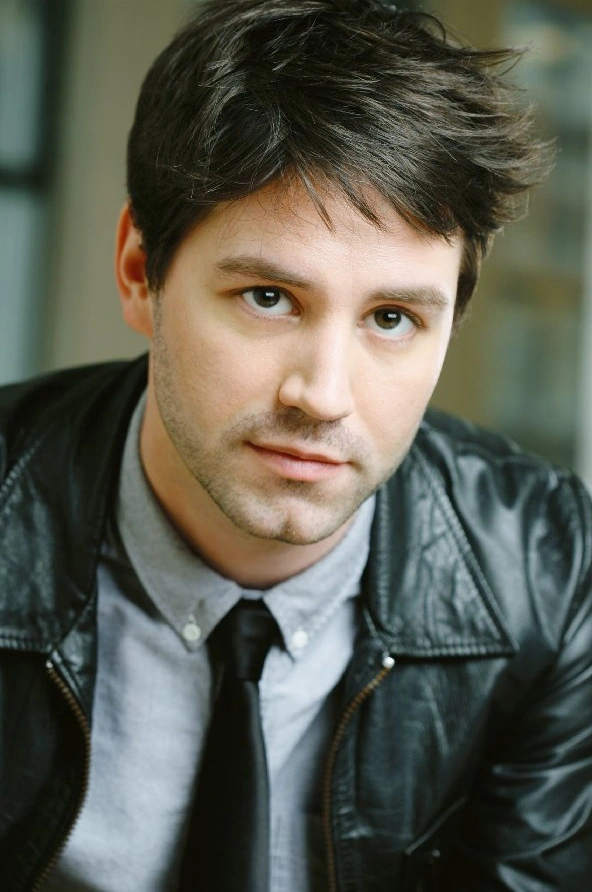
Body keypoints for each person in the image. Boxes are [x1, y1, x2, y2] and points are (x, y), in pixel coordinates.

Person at [0, 0, 590, 889]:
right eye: (269, 298)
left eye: (392, 318)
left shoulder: (551, 571)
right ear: (140, 272)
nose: (323, 395)